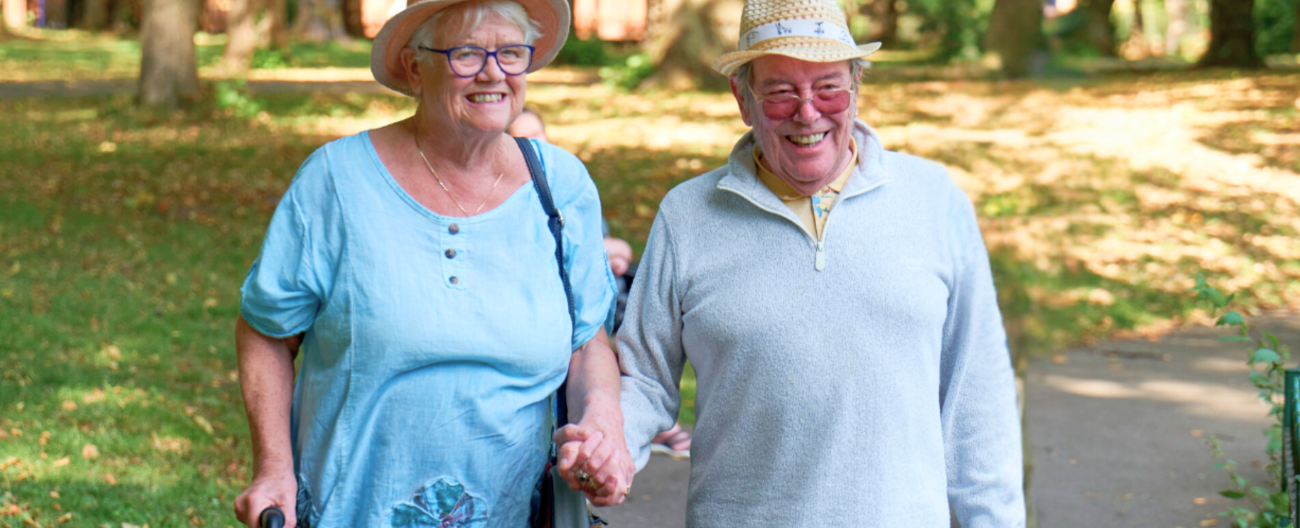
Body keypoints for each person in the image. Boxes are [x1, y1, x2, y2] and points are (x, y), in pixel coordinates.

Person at [614, 0, 1025, 524]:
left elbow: (978, 402)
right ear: (743, 97)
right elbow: (645, 378)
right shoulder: (689, 215)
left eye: (828, 86)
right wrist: (607, 450)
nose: (807, 112)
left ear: (857, 88)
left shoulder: (933, 201)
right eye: (781, 91)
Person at [231, 0, 635, 525]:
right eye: (466, 53)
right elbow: (266, 330)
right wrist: (273, 468)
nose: (493, 72)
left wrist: (603, 421)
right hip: (351, 508)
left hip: (520, 512)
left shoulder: (562, 187)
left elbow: (587, 342)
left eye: (511, 53)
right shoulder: (336, 181)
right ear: (414, 67)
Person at [508, 108, 692, 458]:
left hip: (598, 308)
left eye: (538, 135)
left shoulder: (562, 189)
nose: (533, 145)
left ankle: (644, 423)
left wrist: (613, 254)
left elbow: (607, 248)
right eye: (521, 138)